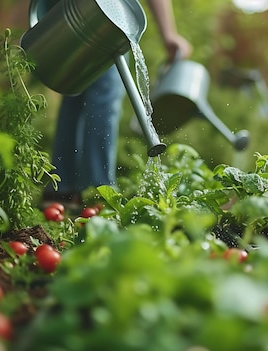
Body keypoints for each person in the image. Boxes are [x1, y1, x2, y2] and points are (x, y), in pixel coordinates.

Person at [42, 0, 192, 208]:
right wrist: (169, 33)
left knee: (75, 85)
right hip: (104, 10)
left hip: (68, 8)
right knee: (105, 93)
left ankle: (62, 190)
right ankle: (98, 191)